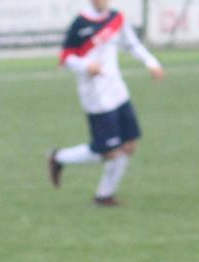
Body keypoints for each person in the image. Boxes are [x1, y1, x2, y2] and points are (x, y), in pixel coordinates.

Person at [46, 0, 164, 207]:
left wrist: (151, 63)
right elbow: (66, 58)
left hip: (117, 90)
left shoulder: (116, 18)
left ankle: (104, 195)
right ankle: (59, 158)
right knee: (106, 151)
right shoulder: (80, 24)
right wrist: (85, 66)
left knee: (128, 144)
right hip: (95, 96)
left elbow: (132, 44)